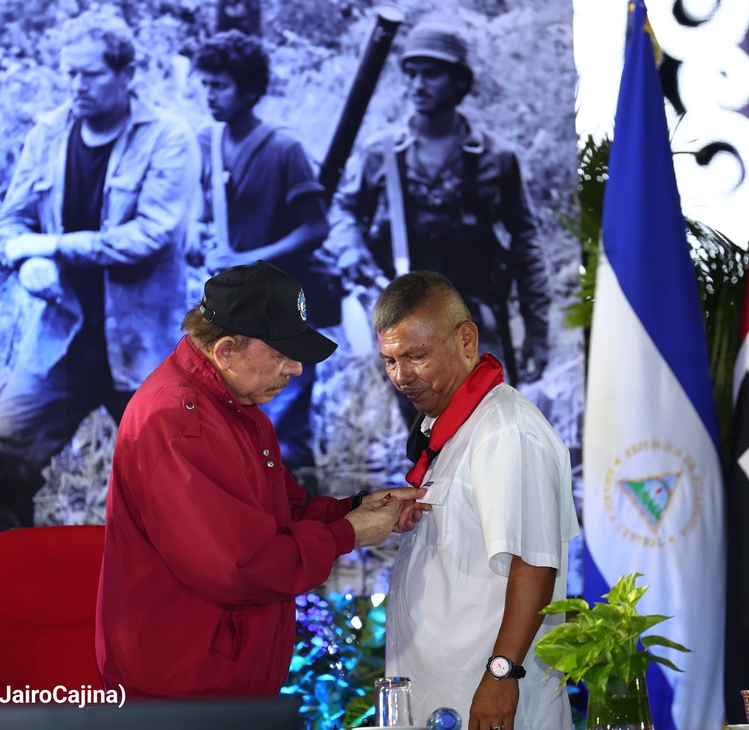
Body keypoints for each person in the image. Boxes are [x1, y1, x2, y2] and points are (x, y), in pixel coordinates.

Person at [95, 260, 426, 699]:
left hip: (218, 679)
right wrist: (347, 533)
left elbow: (282, 514)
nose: (296, 369)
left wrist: (356, 507)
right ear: (227, 349)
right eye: (281, 354)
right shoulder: (180, 423)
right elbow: (240, 568)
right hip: (185, 691)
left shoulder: (233, 406)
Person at [0, 10, 199, 534]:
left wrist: (51, 245)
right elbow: (9, 224)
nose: (77, 85)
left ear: (126, 75)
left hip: (143, 346)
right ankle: (5, 589)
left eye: (91, 74)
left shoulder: (167, 137)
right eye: (70, 73)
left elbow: (150, 236)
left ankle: (179, 599)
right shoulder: (49, 133)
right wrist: (29, 260)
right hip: (63, 337)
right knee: (4, 450)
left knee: (175, 483)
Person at [372, 271, 578, 729]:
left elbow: (534, 561)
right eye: (390, 360)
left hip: (486, 699)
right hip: (441, 695)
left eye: (417, 357)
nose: (401, 377)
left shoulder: (507, 430)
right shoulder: (455, 427)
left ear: (466, 340)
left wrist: (502, 673)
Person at [331, 21, 550, 388]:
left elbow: (526, 243)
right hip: (402, 319)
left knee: (482, 422)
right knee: (422, 432)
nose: (418, 85)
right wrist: (353, 253)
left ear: (459, 82)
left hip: (473, 320)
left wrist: (537, 331)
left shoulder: (496, 158)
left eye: (431, 74)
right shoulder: (381, 154)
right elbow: (343, 210)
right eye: (411, 74)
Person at [191, 30, 339, 493]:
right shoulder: (205, 143)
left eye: (222, 86)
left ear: (252, 90)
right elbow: (200, 212)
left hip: (281, 306)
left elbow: (315, 227)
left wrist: (247, 257)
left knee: (284, 423)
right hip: (229, 309)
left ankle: (304, 524)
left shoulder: (284, 149)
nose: (210, 95)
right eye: (206, 84)